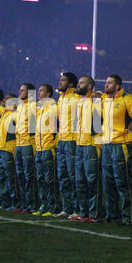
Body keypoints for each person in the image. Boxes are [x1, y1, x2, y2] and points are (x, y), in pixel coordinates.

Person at [100, 74, 132, 224]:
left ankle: (127, 216)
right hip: (107, 145)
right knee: (108, 182)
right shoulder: (103, 99)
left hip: (121, 144)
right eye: (106, 82)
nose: (106, 85)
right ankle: (111, 215)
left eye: (109, 83)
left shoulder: (126, 99)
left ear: (117, 86)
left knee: (122, 181)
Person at [73, 76, 104, 223]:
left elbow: (100, 120)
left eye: (82, 83)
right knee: (80, 181)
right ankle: (83, 212)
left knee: (92, 181)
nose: (78, 85)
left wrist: (97, 142)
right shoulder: (80, 101)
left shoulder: (96, 99)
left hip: (91, 145)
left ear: (90, 86)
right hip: (79, 145)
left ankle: (94, 213)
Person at [54, 72, 80, 219]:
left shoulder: (76, 98)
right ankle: (67, 208)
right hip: (61, 141)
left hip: (72, 141)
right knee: (62, 176)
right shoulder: (60, 99)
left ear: (70, 84)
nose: (60, 82)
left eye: (63, 80)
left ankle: (77, 209)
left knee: (73, 176)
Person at [33, 84, 60, 217]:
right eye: (38, 90)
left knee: (50, 180)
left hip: (48, 148)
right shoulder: (40, 109)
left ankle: (53, 206)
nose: (39, 93)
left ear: (49, 94)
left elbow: (59, 125)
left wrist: (53, 143)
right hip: (39, 148)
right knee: (41, 179)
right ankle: (44, 205)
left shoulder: (54, 107)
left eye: (41, 90)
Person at [14, 83, 37, 214]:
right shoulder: (20, 106)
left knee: (29, 176)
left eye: (22, 90)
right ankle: (23, 204)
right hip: (19, 145)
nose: (20, 92)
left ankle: (32, 204)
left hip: (29, 144)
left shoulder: (34, 106)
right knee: (20, 175)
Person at [0, 94, 20, 211]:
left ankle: (15, 203)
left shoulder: (14, 115)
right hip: (0, 149)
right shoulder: (5, 115)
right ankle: (4, 202)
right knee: (1, 178)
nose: (4, 100)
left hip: (9, 150)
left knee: (11, 178)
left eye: (7, 99)